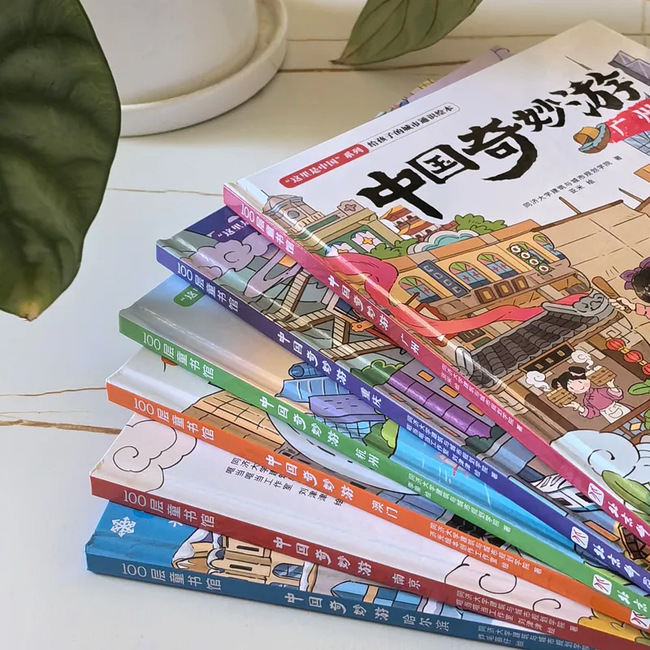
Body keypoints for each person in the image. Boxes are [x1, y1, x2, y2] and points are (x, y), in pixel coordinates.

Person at [552, 366, 631, 423]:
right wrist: (578, 407)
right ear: (571, 392)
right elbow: (592, 412)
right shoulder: (586, 400)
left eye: (580, 382)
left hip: (619, 408)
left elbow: (617, 396)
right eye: (572, 388)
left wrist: (611, 385)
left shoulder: (600, 391)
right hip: (608, 415)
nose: (579, 387)